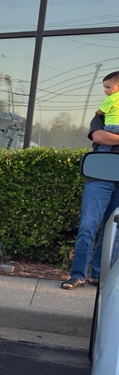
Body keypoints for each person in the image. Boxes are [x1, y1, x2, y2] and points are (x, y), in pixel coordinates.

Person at [62, 70, 119, 290]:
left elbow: (108, 136)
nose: (106, 92)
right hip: (99, 178)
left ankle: (99, 276)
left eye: (109, 87)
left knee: (112, 232)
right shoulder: (102, 114)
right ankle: (77, 275)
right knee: (88, 226)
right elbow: (99, 136)